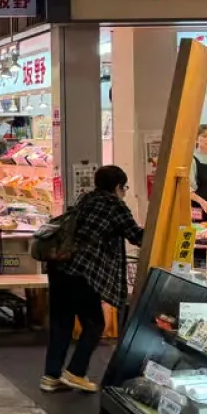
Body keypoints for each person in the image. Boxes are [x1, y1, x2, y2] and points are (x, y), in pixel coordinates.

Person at [42, 165, 143, 393]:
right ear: (118, 186)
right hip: (82, 272)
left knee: (61, 322)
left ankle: (51, 376)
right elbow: (136, 236)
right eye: (124, 187)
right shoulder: (114, 205)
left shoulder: (85, 199)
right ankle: (76, 372)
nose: (124, 192)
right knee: (94, 322)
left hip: (59, 267)